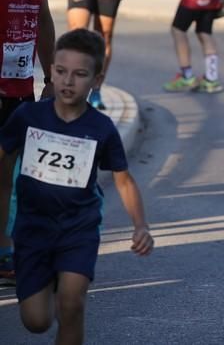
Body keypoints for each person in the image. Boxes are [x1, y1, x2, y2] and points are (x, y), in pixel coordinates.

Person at [0, 28, 154, 344]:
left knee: (72, 304)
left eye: (79, 74)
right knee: (37, 321)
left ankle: (67, 284)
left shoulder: (101, 128)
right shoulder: (28, 116)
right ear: (51, 72)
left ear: (97, 80)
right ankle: (51, 280)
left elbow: (123, 181)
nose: (68, 81)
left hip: (78, 229)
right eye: (60, 71)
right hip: (32, 230)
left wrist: (141, 226)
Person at [0, 0, 56, 287]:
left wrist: (51, 74)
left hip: (22, 84)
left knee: (10, 173)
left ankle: (6, 253)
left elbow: (45, 18)